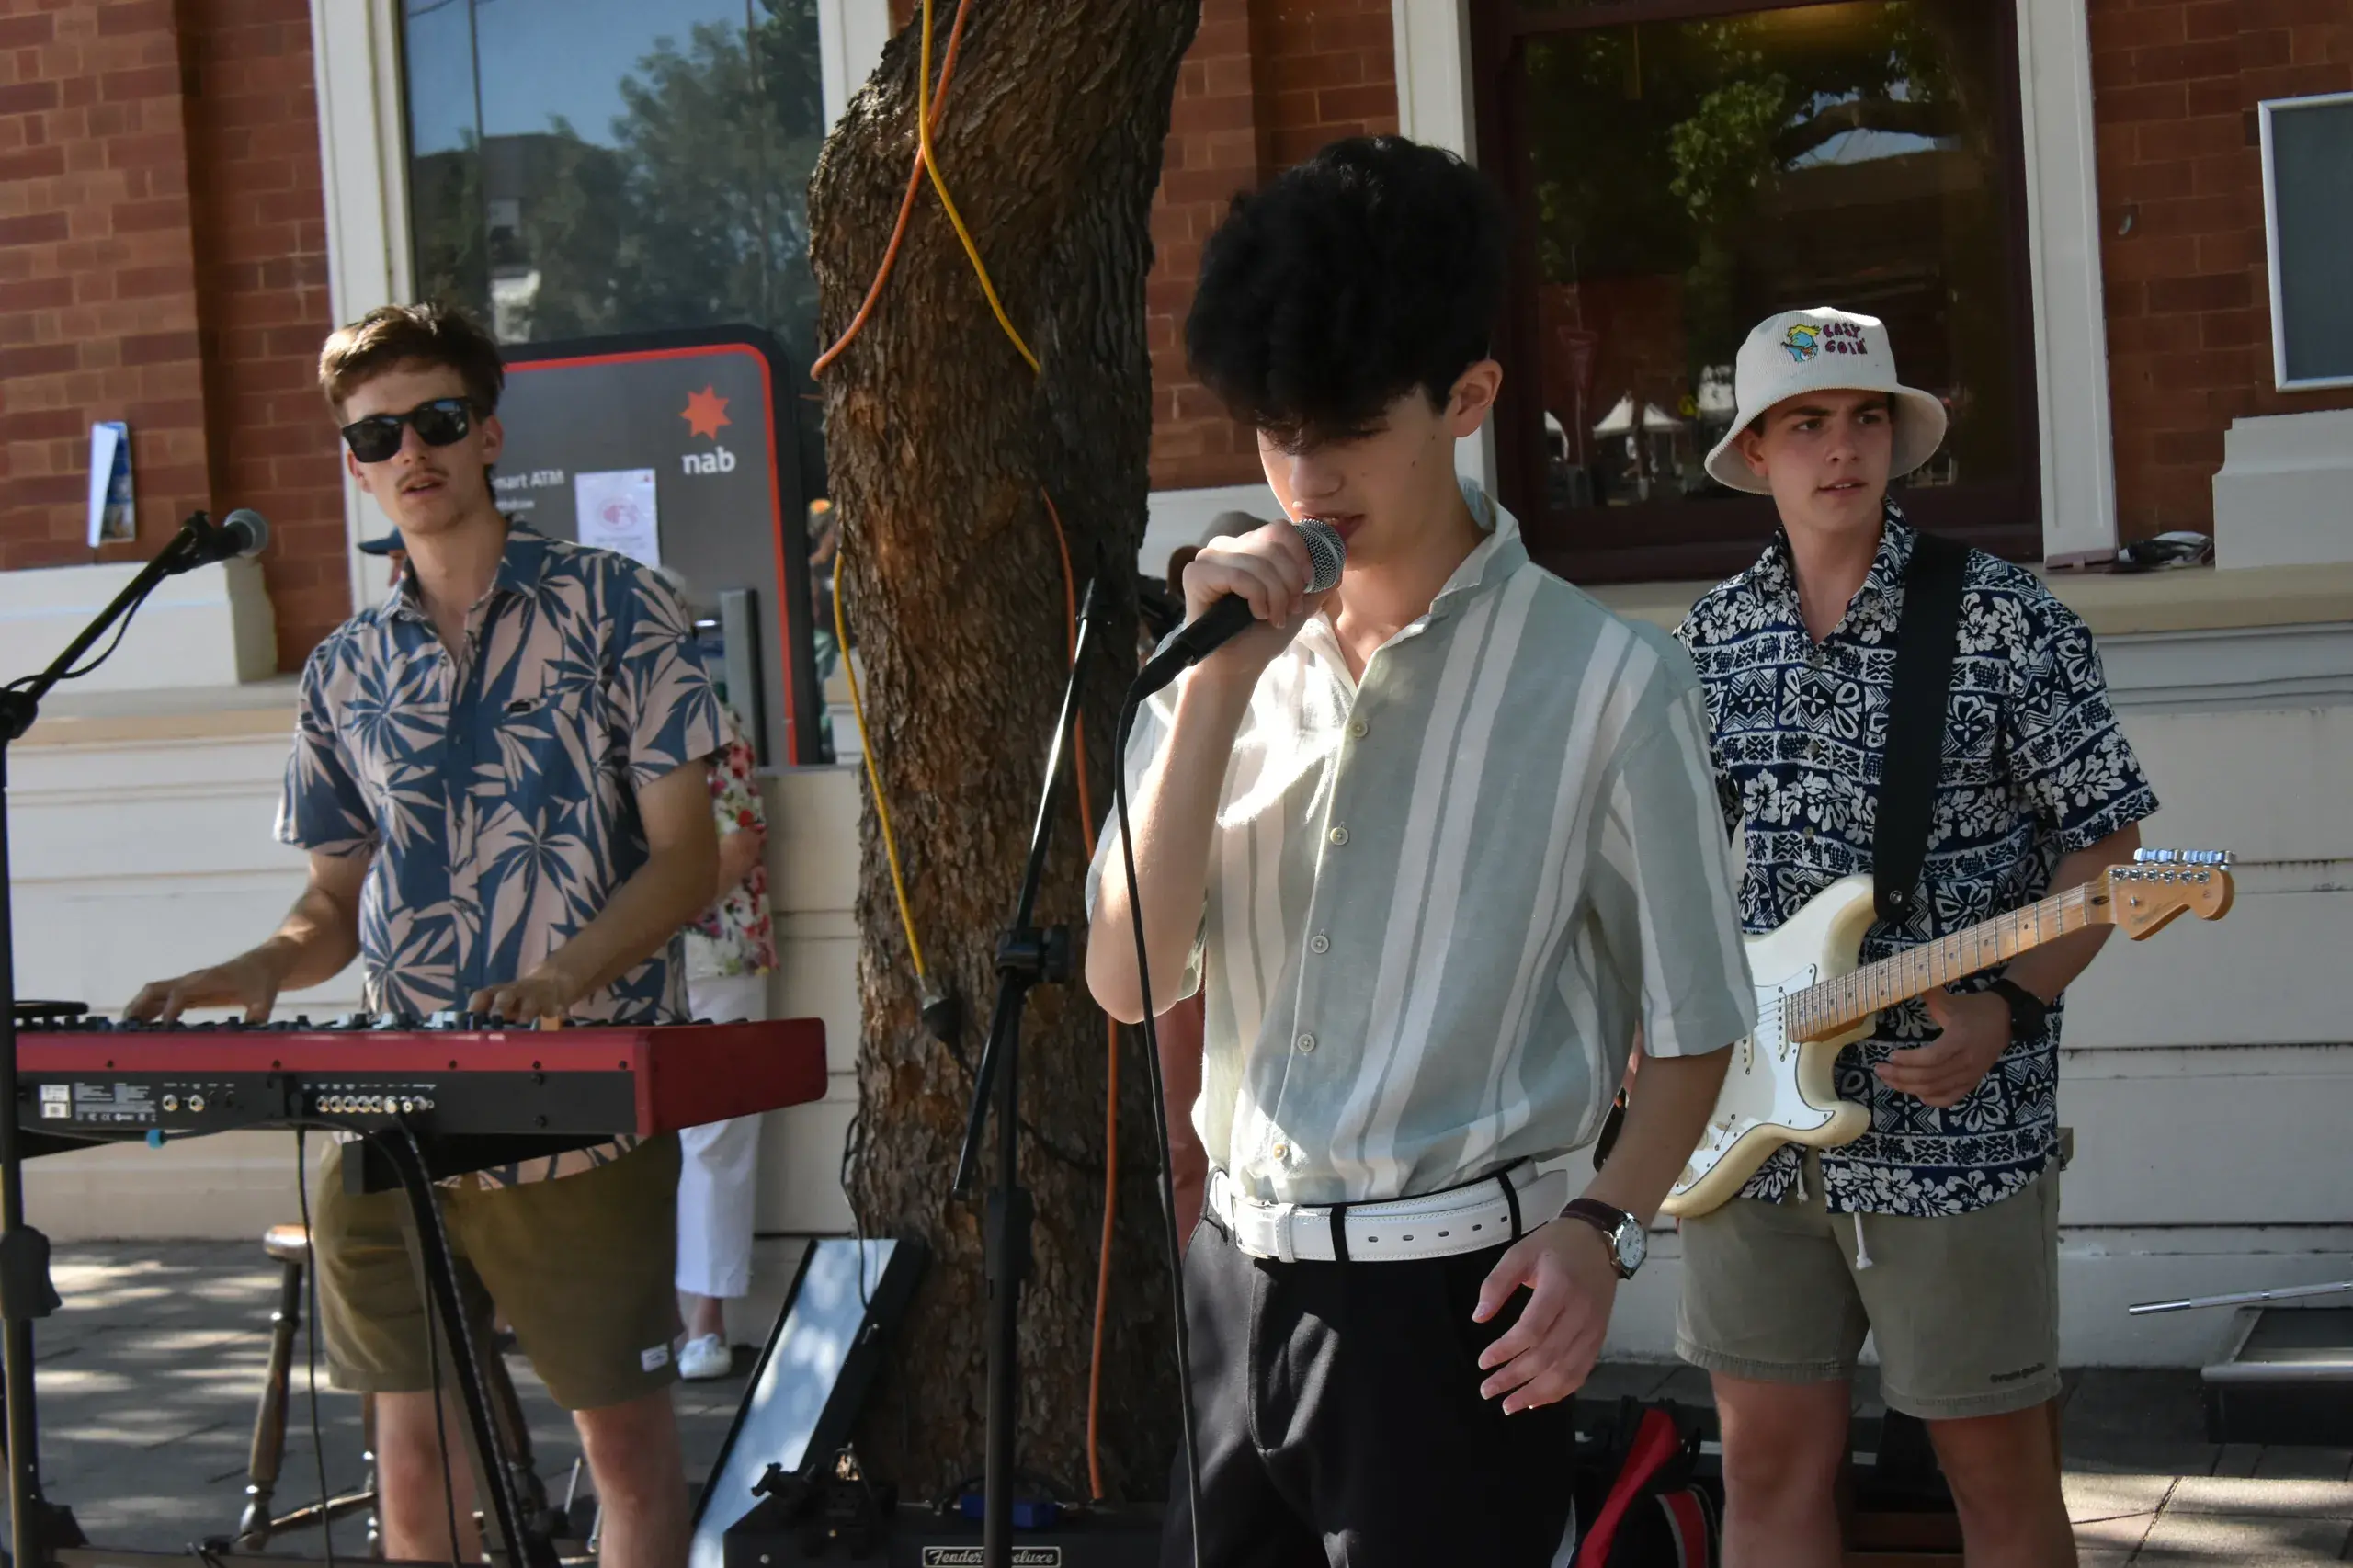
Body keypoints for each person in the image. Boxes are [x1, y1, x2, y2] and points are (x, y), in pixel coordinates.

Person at [1085, 135, 1756, 1568]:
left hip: (1456, 1296)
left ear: (1467, 397)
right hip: (1232, 1278)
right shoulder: (1219, 654)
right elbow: (1128, 979)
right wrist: (1209, 687)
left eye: (1345, 427)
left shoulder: (1608, 683)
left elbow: (1700, 1023)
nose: (1305, 475)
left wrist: (1603, 1227)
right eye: (1273, 430)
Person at [126, 301, 723, 1568]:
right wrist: (250, 969)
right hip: (392, 1109)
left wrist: (566, 974)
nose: (412, 450)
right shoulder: (343, 667)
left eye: (438, 419)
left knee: (622, 1456)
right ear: (353, 460)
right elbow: (333, 905)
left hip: (583, 1108)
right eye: (378, 432)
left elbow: (690, 857)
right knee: (410, 1472)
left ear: (489, 431)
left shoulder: (622, 606)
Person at [1672, 307, 2158, 1568]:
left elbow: (2107, 848)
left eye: (1867, 417)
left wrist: (2012, 1006)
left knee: (1996, 1475)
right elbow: (1661, 875)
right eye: (1808, 424)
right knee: (1769, 1467)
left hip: (1958, 1124)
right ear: (1758, 451)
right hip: (1749, 1123)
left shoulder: (2003, 617)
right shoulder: (1711, 641)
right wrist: (1647, 1031)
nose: (1843, 448)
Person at [675, 699, 779, 1381]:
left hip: (706, 951)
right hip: (641, 956)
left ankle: (702, 1326)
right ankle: (680, 1327)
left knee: (711, 1136)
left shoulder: (709, 717)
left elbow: (739, 843)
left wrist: (640, 926)